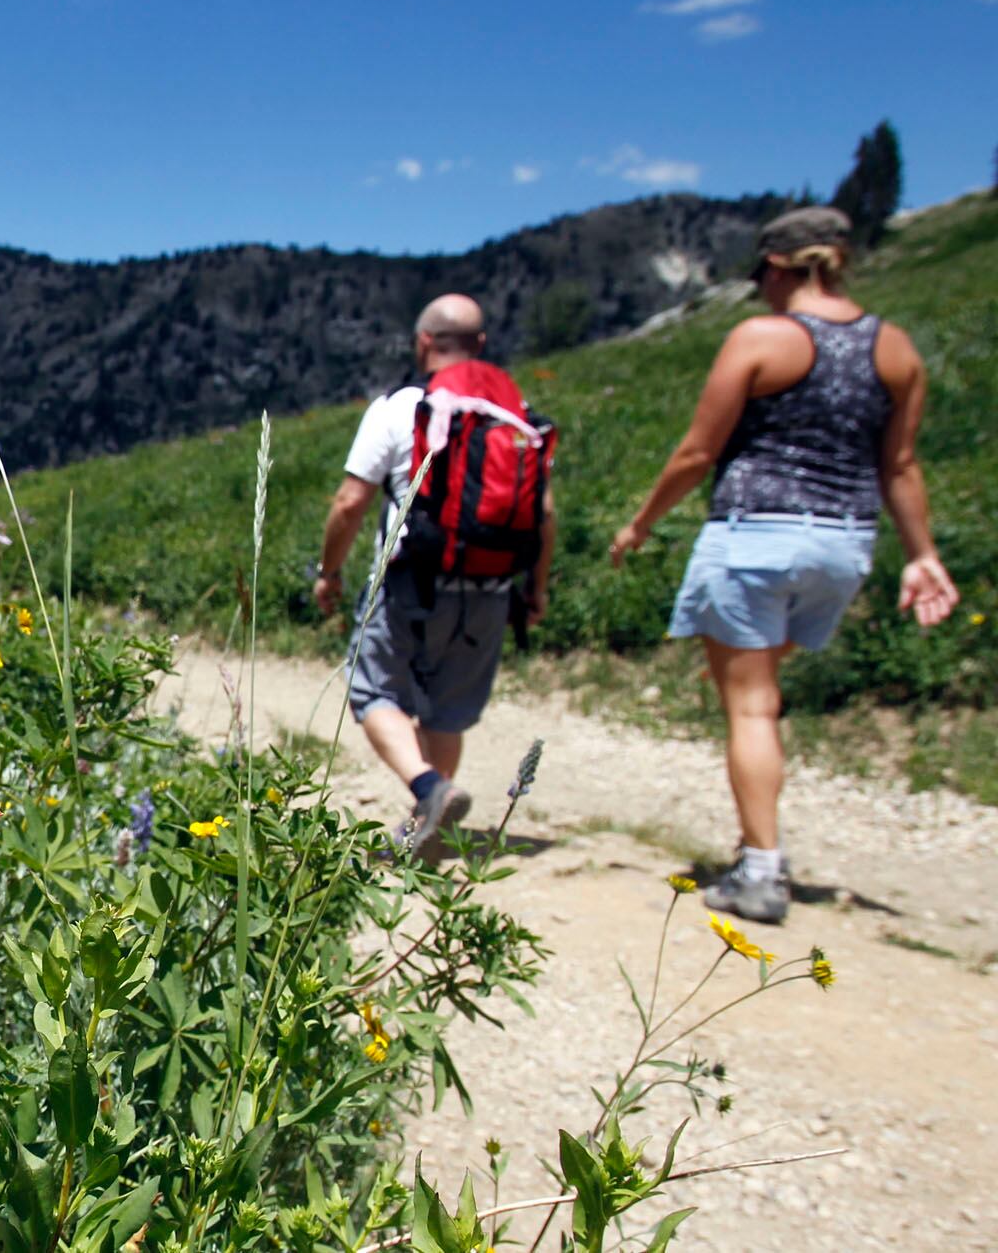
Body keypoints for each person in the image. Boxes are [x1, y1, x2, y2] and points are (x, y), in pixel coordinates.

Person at [609, 206, 958, 924]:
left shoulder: (763, 337)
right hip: (844, 544)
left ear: (775, 267)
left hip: (754, 537)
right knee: (763, 692)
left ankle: (761, 869)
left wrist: (640, 523)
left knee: (750, 704)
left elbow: (698, 451)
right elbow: (900, 464)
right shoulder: (894, 349)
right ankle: (755, 839)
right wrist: (921, 554)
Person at [315, 294, 557, 852]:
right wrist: (536, 589)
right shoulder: (516, 414)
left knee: (370, 687)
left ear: (423, 342)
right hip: (492, 586)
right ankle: (430, 824)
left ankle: (428, 788)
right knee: (446, 707)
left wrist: (329, 572)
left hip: (410, 580)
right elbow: (543, 516)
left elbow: (351, 501)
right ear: (481, 346)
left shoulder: (400, 407)